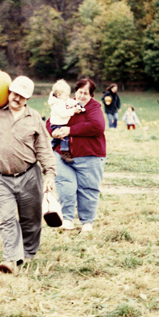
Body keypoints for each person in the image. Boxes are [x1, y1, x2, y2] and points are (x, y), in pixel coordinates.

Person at [0, 67, 56, 274]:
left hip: (29, 176)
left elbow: (44, 149)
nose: (17, 98)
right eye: (14, 93)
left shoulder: (34, 119)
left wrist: (49, 173)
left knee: (30, 220)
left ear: (28, 98)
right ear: (9, 91)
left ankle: (29, 254)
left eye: (22, 96)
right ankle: (11, 260)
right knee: (7, 218)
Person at [47, 77, 106, 233]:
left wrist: (70, 130)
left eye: (86, 93)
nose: (82, 96)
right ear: (76, 91)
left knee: (88, 188)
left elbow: (97, 126)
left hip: (90, 155)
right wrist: (53, 131)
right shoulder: (67, 104)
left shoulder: (94, 108)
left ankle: (87, 222)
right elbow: (51, 119)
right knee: (65, 185)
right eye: (80, 92)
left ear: (91, 94)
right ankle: (66, 219)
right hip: (63, 154)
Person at [48, 79, 85, 161]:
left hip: (61, 123)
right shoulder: (56, 104)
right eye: (66, 96)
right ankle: (65, 153)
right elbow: (63, 113)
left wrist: (76, 103)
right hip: (57, 124)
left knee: (57, 140)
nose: (68, 97)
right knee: (64, 136)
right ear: (58, 95)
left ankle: (49, 149)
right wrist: (73, 111)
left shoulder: (63, 99)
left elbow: (69, 101)